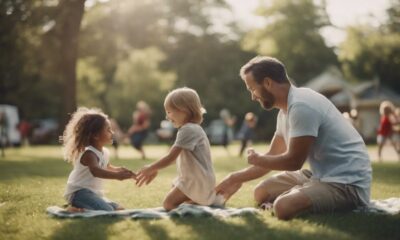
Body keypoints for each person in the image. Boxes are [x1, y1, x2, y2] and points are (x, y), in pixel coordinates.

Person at [216, 56, 372, 220]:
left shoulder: (302, 106)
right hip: (318, 175)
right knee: (261, 192)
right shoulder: (284, 111)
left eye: (252, 89)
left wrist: (259, 159)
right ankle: (306, 191)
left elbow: (293, 162)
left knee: (283, 207)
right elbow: (273, 156)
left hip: (347, 183)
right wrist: (233, 178)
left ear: (268, 83)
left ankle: (302, 194)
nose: (253, 97)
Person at [136, 87, 224, 211]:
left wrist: (151, 168)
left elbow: (171, 157)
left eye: (169, 112)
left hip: (196, 181)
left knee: (168, 204)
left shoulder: (188, 129)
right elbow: (174, 159)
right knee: (174, 186)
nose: (167, 117)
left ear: (183, 110)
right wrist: (156, 169)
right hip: (198, 179)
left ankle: (195, 212)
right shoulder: (192, 128)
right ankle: (198, 204)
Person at [61, 107, 136, 211]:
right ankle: (75, 209)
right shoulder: (89, 153)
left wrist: (120, 170)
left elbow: (107, 167)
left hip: (94, 193)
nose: (112, 133)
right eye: (108, 130)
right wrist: (117, 176)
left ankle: (82, 207)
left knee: (119, 209)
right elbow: (96, 171)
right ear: (96, 135)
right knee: (108, 211)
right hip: (79, 193)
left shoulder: (105, 152)